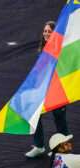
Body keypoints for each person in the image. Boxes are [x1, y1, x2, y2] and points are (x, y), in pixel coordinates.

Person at [25, 21, 69, 158]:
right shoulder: (44, 49)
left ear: (55, 34)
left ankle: (63, 148)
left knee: (59, 119)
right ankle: (39, 147)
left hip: (58, 91)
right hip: (44, 91)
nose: (46, 34)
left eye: (49, 31)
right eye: (45, 31)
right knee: (35, 116)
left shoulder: (59, 50)